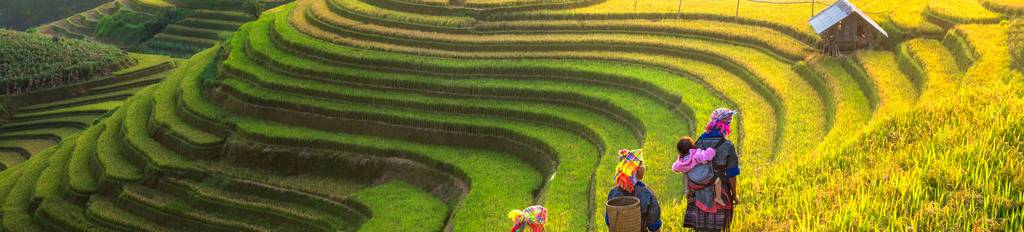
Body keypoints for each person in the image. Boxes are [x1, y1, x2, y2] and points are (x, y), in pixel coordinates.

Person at [683, 108, 740, 231]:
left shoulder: (698, 142)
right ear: (726, 126)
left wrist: (687, 189)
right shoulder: (728, 146)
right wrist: (734, 195)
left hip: (699, 193)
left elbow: (687, 167)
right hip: (719, 194)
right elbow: (732, 174)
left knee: (700, 228)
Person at [606, 149, 662, 232]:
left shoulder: (613, 193)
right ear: (638, 170)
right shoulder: (647, 194)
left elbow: (608, 221)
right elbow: (654, 226)